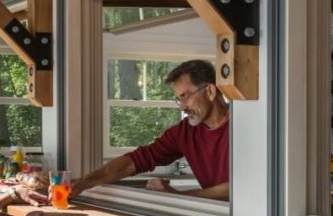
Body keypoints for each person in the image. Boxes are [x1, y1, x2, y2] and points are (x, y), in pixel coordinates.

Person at [72, 59, 230, 201]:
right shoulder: (184, 133)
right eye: (179, 99)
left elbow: (242, 188)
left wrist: (180, 196)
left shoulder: (243, 127)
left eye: (186, 96)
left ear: (210, 91)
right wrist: (84, 182)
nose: (182, 106)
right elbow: (133, 162)